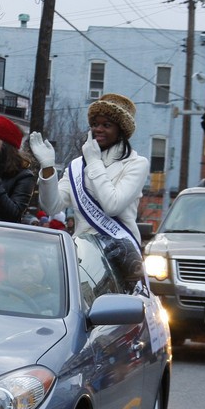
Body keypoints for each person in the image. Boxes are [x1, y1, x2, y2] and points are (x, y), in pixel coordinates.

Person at [29, 93, 148, 282]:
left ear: (121, 130)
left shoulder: (136, 164)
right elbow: (52, 206)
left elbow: (113, 205)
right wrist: (48, 168)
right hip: (84, 256)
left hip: (119, 259)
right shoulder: (78, 165)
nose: (98, 129)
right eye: (94, 124)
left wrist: (93, 162)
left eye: (106, 125)